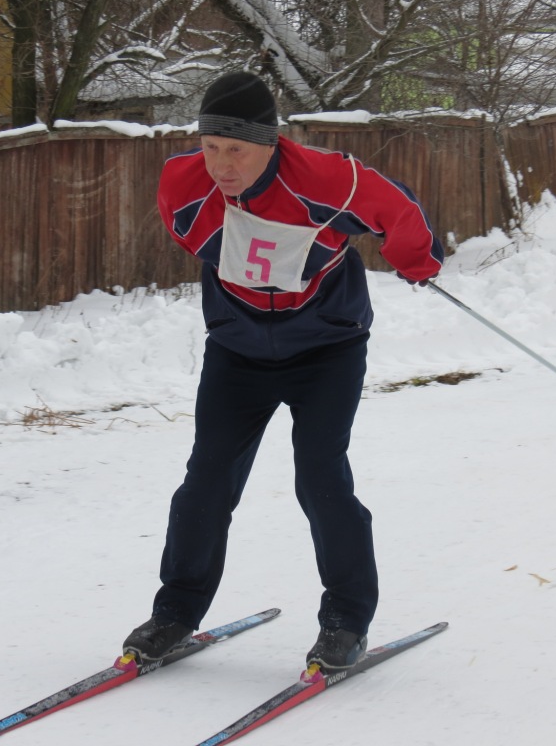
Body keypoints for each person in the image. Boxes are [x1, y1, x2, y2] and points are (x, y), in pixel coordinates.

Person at [122, 71, 444, 672]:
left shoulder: (327, 179)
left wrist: (415, 259)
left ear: (269, 142)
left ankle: (346, 620)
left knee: (320, 479)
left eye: (236, 150)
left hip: (326, 349)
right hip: (237, 352)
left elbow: (396, 210)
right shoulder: (181, 182)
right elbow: (197, 237)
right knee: (207, 481)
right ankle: (175, 613)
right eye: (211, 147)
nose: (221, 164)